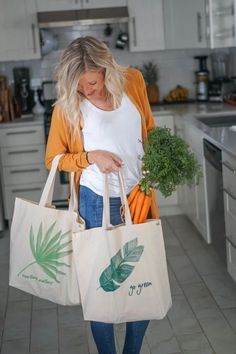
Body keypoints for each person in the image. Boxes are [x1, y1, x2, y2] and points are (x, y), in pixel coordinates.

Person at [45, 36, 159, 354]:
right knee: (104, 289)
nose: (86, 90)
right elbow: (53, 159)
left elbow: (148, 129)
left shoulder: (133, 80)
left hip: (138, 195)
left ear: (107, 69)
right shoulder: (68, 106)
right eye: (79, 85)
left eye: (92, 82)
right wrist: (91, 156)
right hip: (97, 200)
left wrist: (155, 167)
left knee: (143, 282)